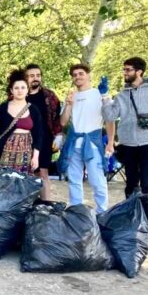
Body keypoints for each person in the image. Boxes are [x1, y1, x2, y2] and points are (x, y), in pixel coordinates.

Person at [104, 57, 148, 225]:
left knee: (147, 184)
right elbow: (110, 116)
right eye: (124, 70)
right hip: (128, 145)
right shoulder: (122, 95)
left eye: (128, 70)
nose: (124, 73)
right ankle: (132, 222)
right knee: (130, 185)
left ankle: (146, 225)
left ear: (139, 71)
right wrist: (105, 97)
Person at [58, 63, 115, 214]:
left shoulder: (100, 93)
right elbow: (63, 122)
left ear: (89, 75)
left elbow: (110, 119)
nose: (78, 77)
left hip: (93, 143)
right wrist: (69, 105)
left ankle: (102, 213)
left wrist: (110, 142)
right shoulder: (72, 96)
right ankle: (77, 213)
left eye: (81, 73)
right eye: (75, 75)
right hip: (74, 143)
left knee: (97, 181)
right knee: (74, 180)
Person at [0, 70, 43, 174]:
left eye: (23, 87)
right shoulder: (3, 108)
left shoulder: (33, 110)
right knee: (2, 183)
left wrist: (36, 157)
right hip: (4, 151)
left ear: (27, 90)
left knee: (21, 184)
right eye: (16, 88)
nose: (20, 90)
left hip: (25, 153)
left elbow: (39, 134)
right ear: (11, 90)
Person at [24, 63, 64, 199]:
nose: (35, 78)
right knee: (25, 172)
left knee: (42, 172)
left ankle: (46, 206)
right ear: (25, 78)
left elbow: (57, 117)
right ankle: (26, 205)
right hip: (23, 138)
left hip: (45, 138)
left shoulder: (49, 95)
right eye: (31, 76)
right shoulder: (18, 94)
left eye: (38, 75)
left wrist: (58, 134)